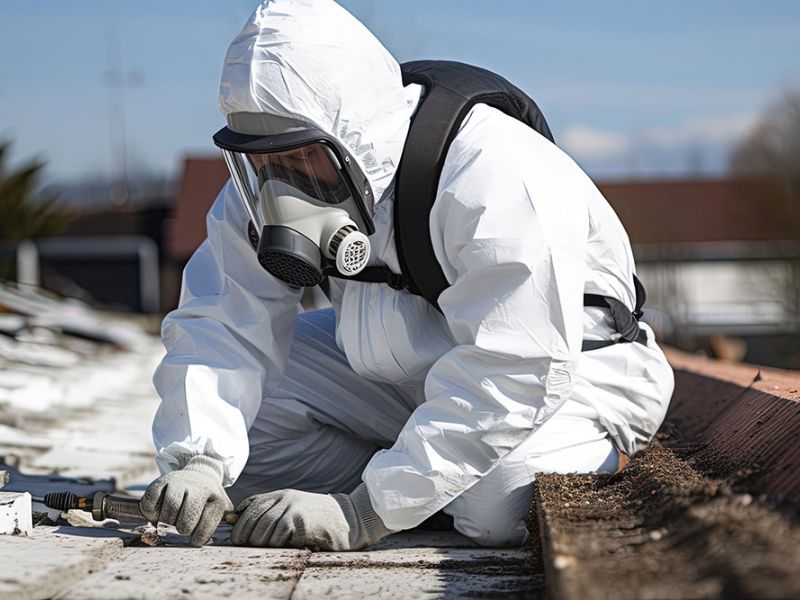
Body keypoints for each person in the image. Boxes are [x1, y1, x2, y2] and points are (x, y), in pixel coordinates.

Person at [141, 0, 675, 550]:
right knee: (242, 443)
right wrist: (199, 459)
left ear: (352, 134)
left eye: (297, 157)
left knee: (496, 507)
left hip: (570, 373)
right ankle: (422, 480)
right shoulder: (265, 183)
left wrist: (365, 512)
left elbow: (519, 362)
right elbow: (224, 320)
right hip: (396, 372)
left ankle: (519, 464)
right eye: (260, 159)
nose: (277, 182)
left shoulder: (494, 173)